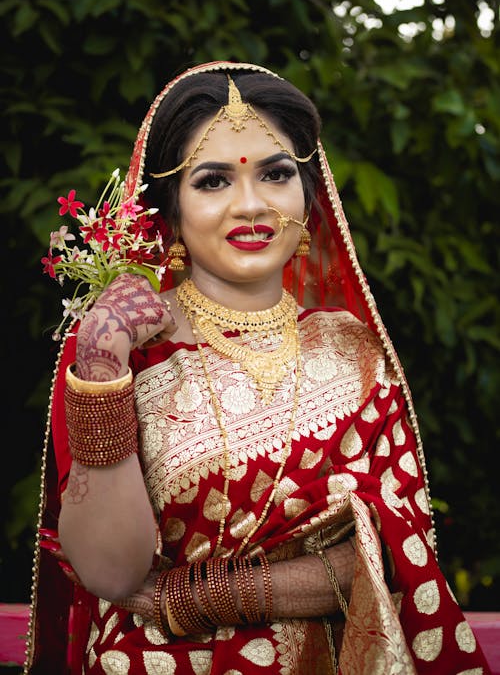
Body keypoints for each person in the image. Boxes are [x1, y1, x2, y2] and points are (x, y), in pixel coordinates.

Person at [24, 61, 491, 674]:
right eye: (213, 181)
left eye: (275, 174)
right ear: (170, 210)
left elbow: (399, 550)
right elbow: (110, 572)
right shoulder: (118, 352)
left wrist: (201, 597)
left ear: (308, 194)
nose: (250, 205)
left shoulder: (351, 353)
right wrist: (103, 356)